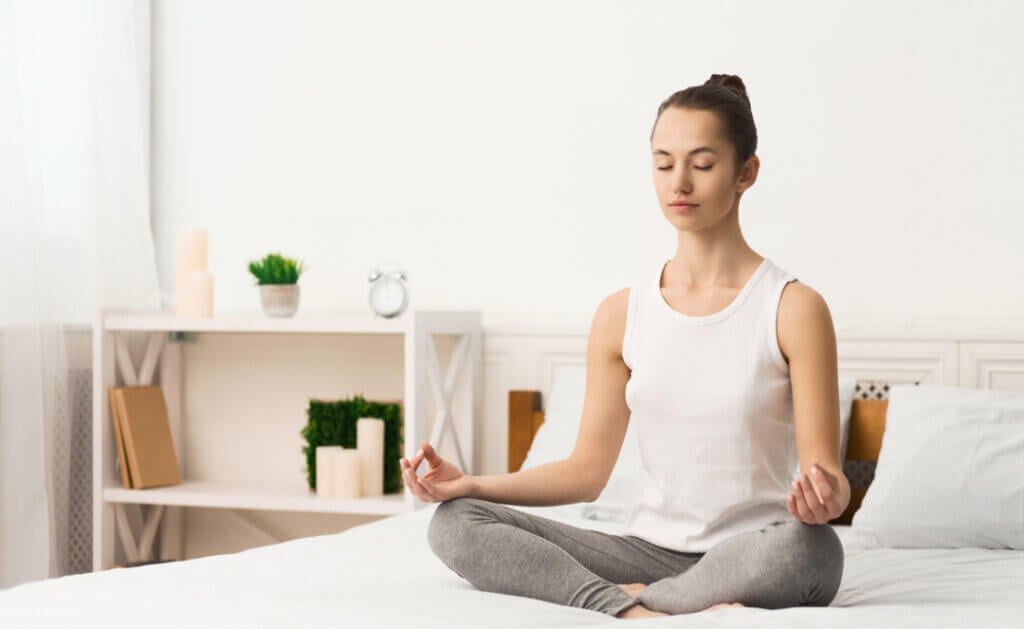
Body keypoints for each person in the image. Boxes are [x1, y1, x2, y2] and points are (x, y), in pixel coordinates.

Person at [399, 73, 848, 619]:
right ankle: (629, 606)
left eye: (701, 164)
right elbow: (586, 474)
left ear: (745, 173)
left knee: (813, 549)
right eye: (663, 163)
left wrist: (828, 499)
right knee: (456, 522)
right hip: (644, 553)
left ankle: (636, 603)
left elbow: (830, 479)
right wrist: (470, 483)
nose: (678, 182)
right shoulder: (622, 313)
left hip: (756, 549)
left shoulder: (793, 307)